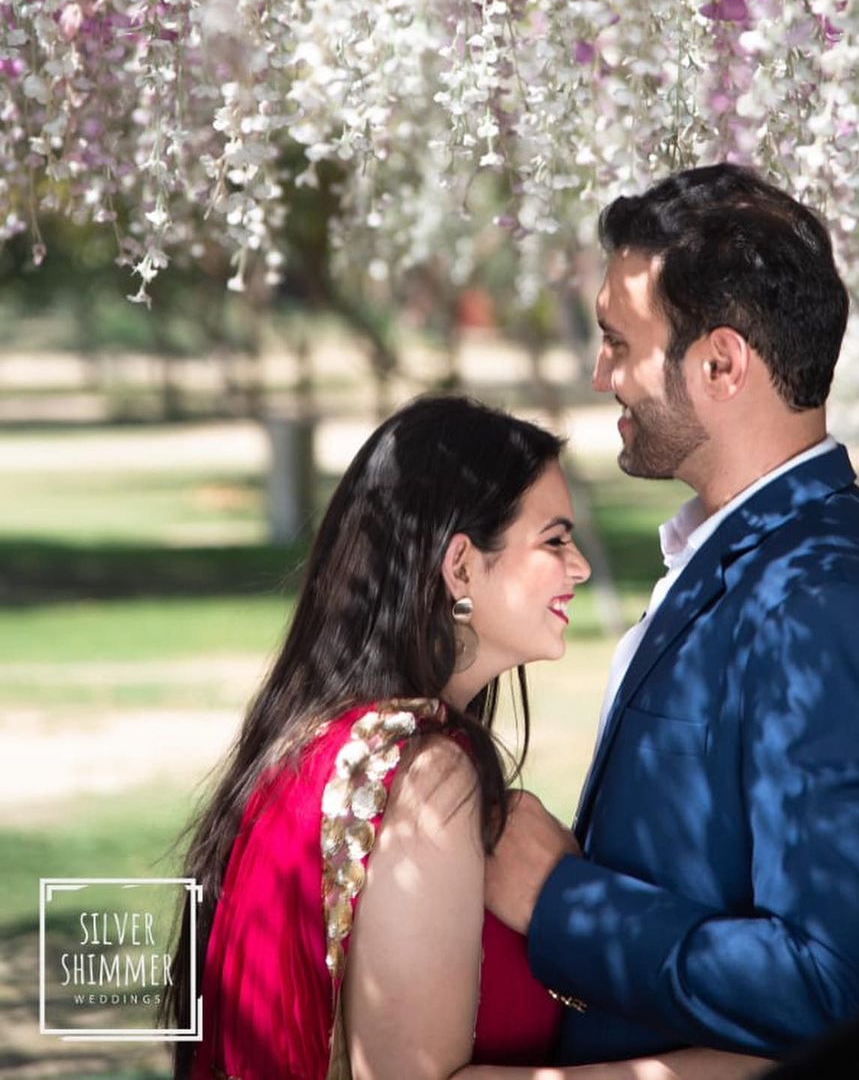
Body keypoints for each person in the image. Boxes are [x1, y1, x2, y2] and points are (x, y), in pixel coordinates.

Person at [485, 164, 859, 1064]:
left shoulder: (825, 601)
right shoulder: (750, 561)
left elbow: (832, 985)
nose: (602, 374)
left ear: (721, 362)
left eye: (618, 342)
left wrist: (561, 900)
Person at [163, 394, 766, 1080]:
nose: (580, 567)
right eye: (554, 540)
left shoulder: (315, 742)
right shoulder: (424, 775)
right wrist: (717, 1071)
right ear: (461, 567)